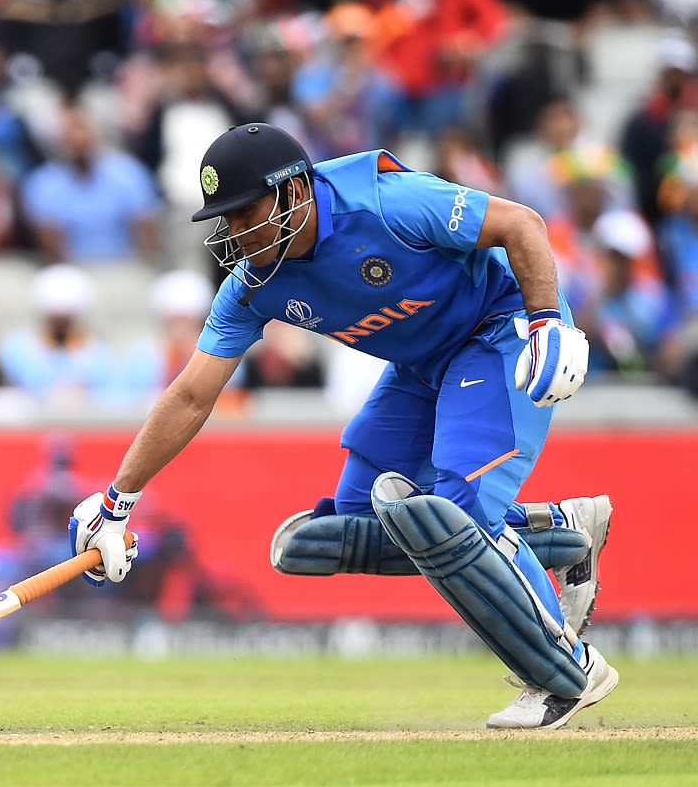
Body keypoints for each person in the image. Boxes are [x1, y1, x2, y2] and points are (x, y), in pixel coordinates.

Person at [69, 122, 619, 730]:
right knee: (351, 529)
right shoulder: (253, 284)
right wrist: (119, 500)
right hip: (421, 363)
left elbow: (521, 224)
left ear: (292, 191)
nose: (233, 232)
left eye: (242, 212)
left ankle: (566, 671)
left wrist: (547, 322)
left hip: (499, 328)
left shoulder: (384, 201)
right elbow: (193, 395)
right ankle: (563, 532)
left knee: (457, 512)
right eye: (223, 219)